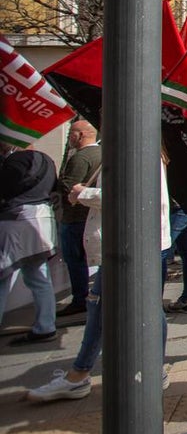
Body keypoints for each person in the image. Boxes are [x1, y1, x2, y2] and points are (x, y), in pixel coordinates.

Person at [27, 157, 171, 400]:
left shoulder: (137, 150)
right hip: (135, 241)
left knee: (101, 307)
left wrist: (83, 193)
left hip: (130, 242)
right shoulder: (140, 150)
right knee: (142, 308)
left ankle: (79, 374)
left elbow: (131, 196)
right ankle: (152, 369)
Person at [0, 143, 58, 346]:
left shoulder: (13, 162)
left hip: (16, 220)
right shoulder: (47, 160)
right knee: (39, 276)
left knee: (3, 275)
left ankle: (45, 327)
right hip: (42, 218)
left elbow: (5, 190)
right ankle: (46, 326)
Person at [54, 120, 100, 316]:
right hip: (90, 215)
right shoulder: (101, 153)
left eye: (71, 132)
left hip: (76, 217)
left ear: (81, 135)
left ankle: (80, 298)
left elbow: (69, 188)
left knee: (76, 260)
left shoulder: (81, 158)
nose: (68, 137)